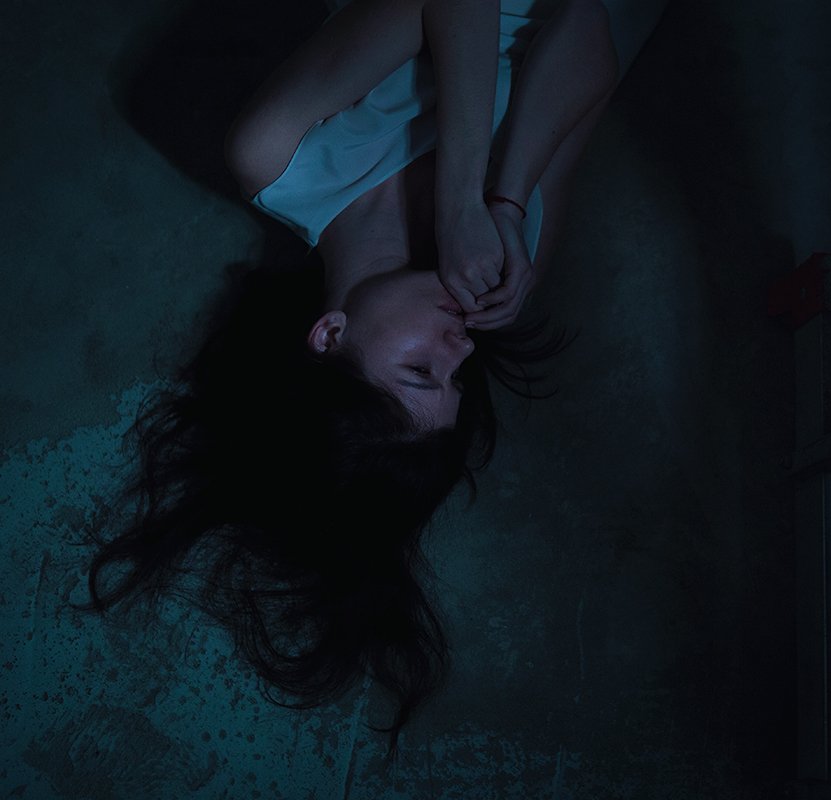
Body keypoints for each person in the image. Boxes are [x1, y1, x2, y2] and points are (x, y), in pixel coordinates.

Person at [86, 0, 666, 752]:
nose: (462, 349)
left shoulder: (280, 155)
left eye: (423, 369)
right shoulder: (506, 271)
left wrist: (458, 200)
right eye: (458, 382)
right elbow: (588, 33)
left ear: (329, 336)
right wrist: (505, 198)